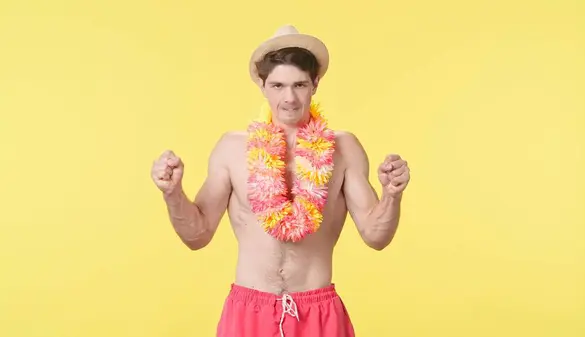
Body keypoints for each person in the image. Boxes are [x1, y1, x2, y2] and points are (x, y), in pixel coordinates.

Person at [150, 25, 410, 337]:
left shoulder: (344, 149)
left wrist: (392, 195)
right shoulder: (232, 149)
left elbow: (375, 236)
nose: (289, 98)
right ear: (261, 85)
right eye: (277, 85)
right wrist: (172, 193)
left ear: (315, 84)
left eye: (299, 84)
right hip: (248, 312)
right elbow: (197, 235)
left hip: (318, 313)